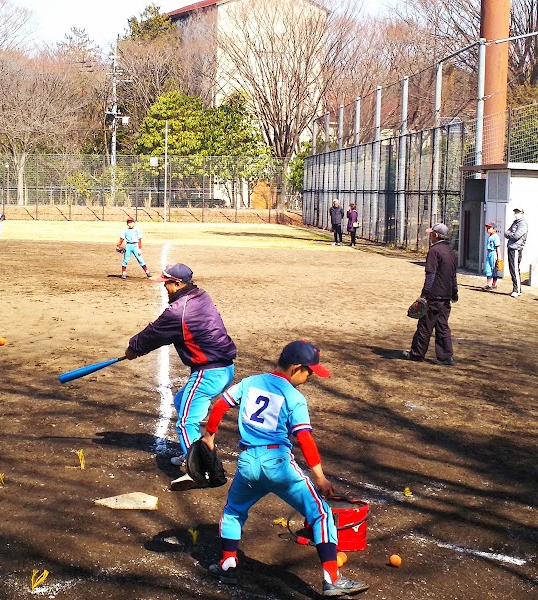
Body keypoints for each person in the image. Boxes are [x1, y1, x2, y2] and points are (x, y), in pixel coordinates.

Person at [204, 340, 368, 598]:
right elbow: (304, 439)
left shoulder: (250, 382)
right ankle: (331, 579)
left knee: (234, 511)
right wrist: (321, 478)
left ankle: (227, 565)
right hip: (278, 464)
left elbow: (219, 405)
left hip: (247, 463)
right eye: (310, 371)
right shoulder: (294, 397)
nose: (311, 376)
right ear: (296, 368)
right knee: (321, 513)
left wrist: (209, 436)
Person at [125, 263, 236, 466]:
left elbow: (155, 333)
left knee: (185, 423)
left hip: (209, 372)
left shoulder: (179, 311)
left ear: (177, 283)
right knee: (181, 401)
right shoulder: (201, 296)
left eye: (166, 283)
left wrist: (134, 348)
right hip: (225, 368)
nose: (164, 287)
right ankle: (192, 451)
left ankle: (200, 469)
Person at [402, 223, 458, 366]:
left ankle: (417, 354)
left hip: (434, 295)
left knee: (425, 326)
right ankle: (445, 357)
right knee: (442, 326)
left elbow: (431, 275)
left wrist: (424, 294)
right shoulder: (451, 251)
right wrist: (454, 292)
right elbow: (453, 275)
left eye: (432, 234)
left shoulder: (434, 251)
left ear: (437, 235)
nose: (430, 236)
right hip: (446, 296)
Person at [504, 207, 528, 298]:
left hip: (516, 248)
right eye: (515, 212)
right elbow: (506, 233)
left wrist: (510, 234)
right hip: (510, 247)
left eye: (517, 212)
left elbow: (516, 236)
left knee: (515, 269)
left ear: (522, 213)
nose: (516, 213)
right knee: (512, 268)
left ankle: (517, 290)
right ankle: (516, 288)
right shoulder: (515, 223)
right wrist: (510, 234)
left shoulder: (523, 224)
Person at [482, 222, 501, 290]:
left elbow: (498, 246)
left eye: (489, 228)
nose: (488, 229)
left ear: (494, 229)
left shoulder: (495, 236)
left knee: (493, 269)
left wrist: (499, 256)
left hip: (493, 253)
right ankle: (489, 284)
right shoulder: (489, 236)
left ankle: (494, 284)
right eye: (487, 228)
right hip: (489, 253)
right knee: (488, 269)